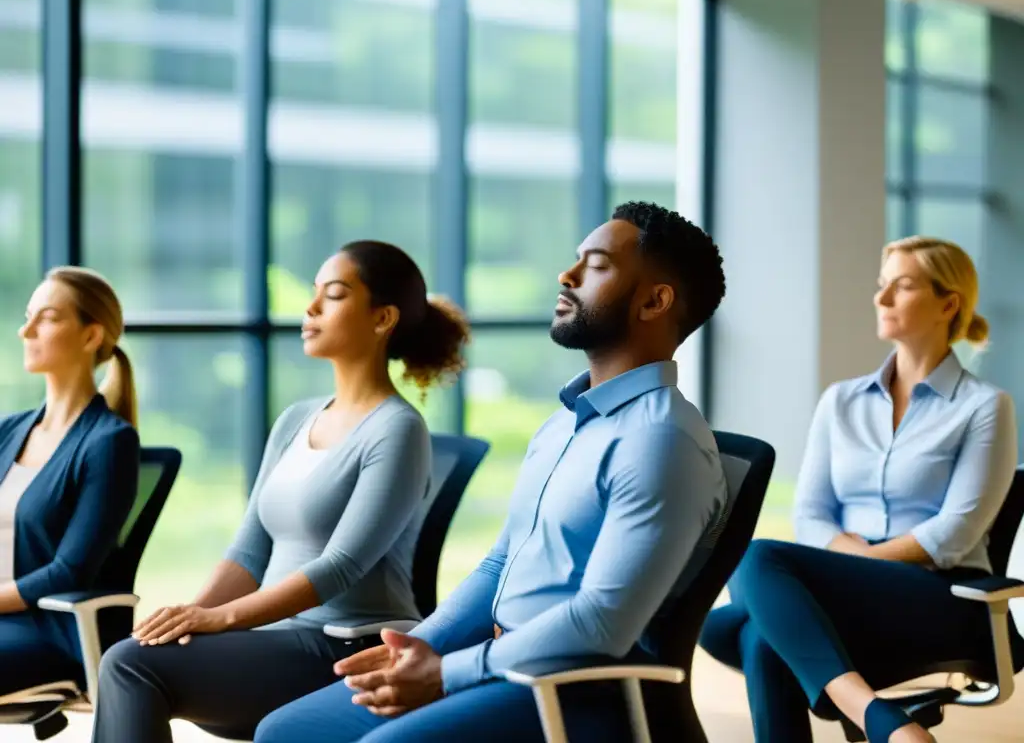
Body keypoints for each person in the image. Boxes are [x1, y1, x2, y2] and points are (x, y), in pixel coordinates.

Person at [252, 200, 729, 743]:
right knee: (285, 731)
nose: (566, 276)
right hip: (496, 663)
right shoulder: (564, 424)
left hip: (569, 688)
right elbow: (502, 561)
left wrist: (445, 673)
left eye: (595, 265)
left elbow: (602, 621)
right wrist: (420, 647)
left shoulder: (662, 441)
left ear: (654, 301)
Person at [91, 241, 470, 743]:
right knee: (139, 654)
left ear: (382, 319)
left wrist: (220, 618)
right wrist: (190, 619)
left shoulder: (398, 429)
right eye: (313, 294)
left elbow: (339, 568)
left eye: (333, 295)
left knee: (129, 666)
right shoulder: (296, 418)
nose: (310, 309)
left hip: (343, 648)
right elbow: (249, 550)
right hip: (276, 640)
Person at [697, 236, 1022, 743]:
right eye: (880, 285)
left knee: (752, 572)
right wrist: (845, 569)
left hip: (943, 596)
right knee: (763, 636)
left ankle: (874, 719)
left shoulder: (984, 406)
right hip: (852, 598)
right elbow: (812, 515)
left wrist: (850, 566)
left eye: (903, 285)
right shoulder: (841, 401)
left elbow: (954, 535)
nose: (882, 297)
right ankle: (881, 719)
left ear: (948, 302)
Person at [0, 267, 140, 698]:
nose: (26, 330)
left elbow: (69, 570)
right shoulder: (8, 430)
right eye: (28, 316)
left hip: (48, 629)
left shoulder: (108, 442)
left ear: (90, 336)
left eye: (47, 318)